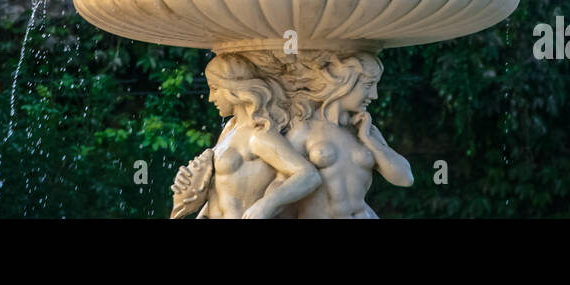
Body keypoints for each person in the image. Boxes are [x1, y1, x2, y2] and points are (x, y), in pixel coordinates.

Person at [170, 52, 320, 219]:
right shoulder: (230, 128)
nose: (211, 98)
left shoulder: (258, 136)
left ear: (233, 88)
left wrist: (266, 205)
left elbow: (309, 175)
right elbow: (220, 189)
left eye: (214, 89)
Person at [285, 53, 414, 219]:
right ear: (345, 84)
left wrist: (369, 140)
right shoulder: (305, 130)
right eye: (368, 85)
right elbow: (281, 184)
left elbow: (405, 178)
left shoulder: (366, 131)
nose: (374, 95)